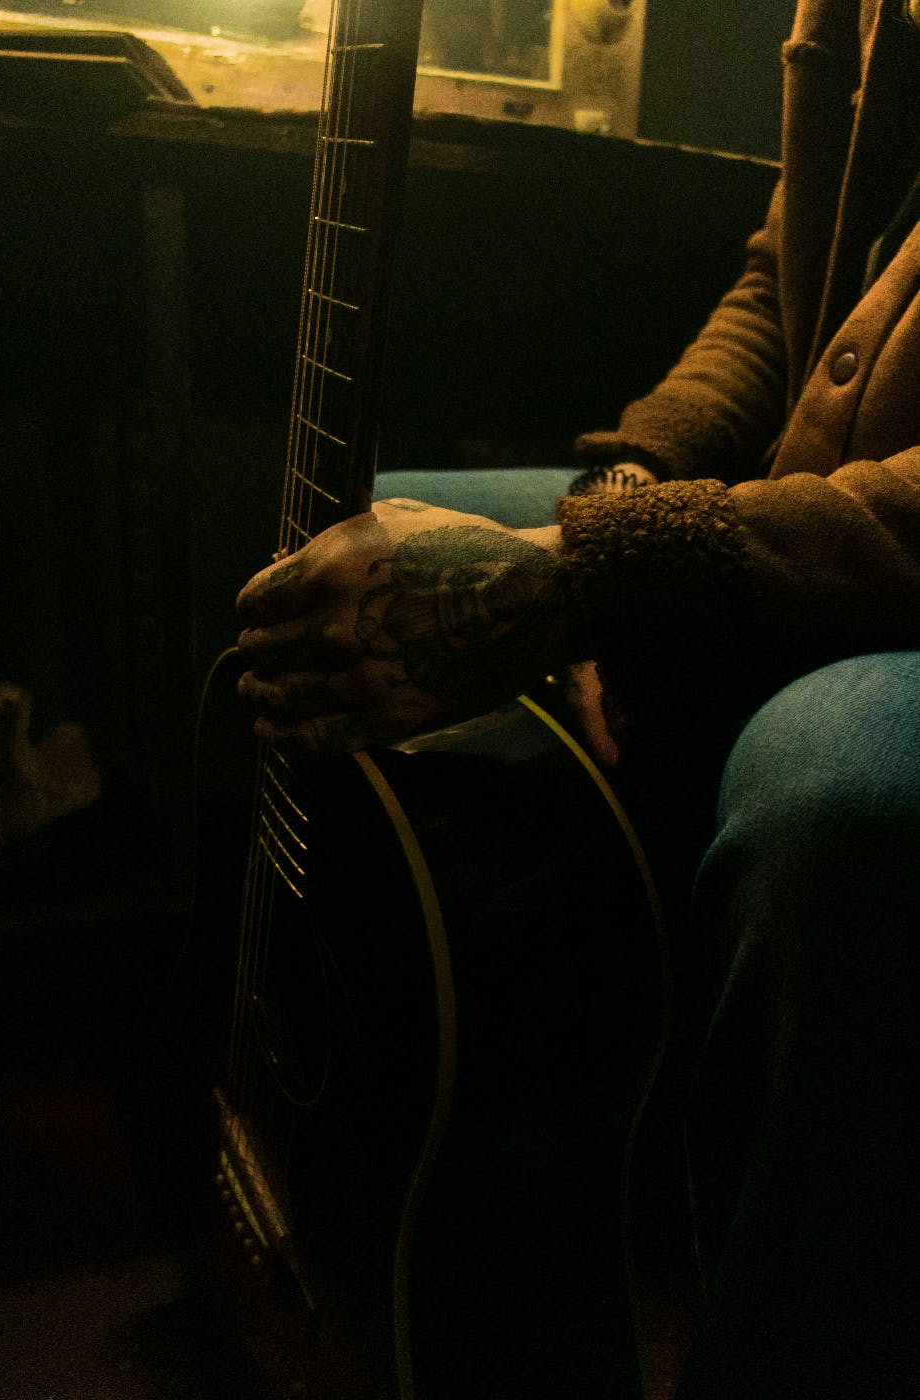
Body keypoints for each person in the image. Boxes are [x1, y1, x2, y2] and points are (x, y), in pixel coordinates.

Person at [236, 0, 920, 1393]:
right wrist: (622, 494)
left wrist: (603, 573)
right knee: (333, 559)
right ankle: (436, 1226)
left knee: (835, 800)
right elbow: (777, 286)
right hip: (807, 510)